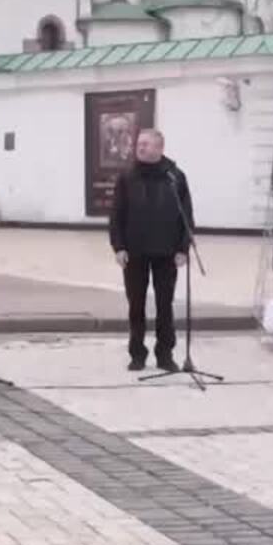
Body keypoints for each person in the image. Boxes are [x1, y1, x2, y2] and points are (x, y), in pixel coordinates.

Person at [109, 129, 194, 373]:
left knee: (164, 305)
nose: (140, 147)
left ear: (160, 147)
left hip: (167, 252)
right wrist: (119, 246)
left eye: (146, 144)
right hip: (134, 252)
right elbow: (117, 215)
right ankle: (137, 353)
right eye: (139, 144)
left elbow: (186, 215)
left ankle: (165, 354)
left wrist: (182, 248)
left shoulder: (175, 177)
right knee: (136, 305)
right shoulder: (126, 177)